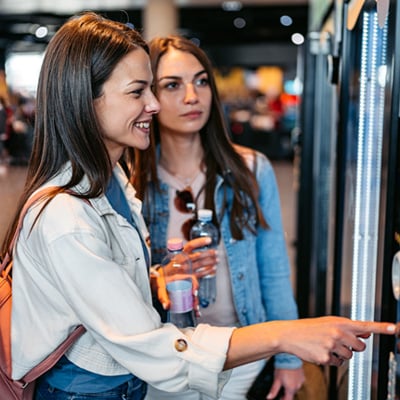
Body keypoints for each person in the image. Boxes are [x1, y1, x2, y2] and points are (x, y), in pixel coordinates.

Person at [2, 11, 396, 400]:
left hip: (189, 367)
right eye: (143, 90)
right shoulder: (71, 212)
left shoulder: (116, 184)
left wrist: (159, 278)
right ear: (84, 101)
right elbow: (151, 345)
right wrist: (286, 336)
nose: (159, 103)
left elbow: (271, 269)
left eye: (200, 82)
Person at [134, 35, 302, 400]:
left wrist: (289, 357)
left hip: (244, 352)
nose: (192, 97)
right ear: (148, 96)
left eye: (201, 81)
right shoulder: (131, 180)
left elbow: (273, 269)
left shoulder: (251, 169)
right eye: (172, 85)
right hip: (166, 359)